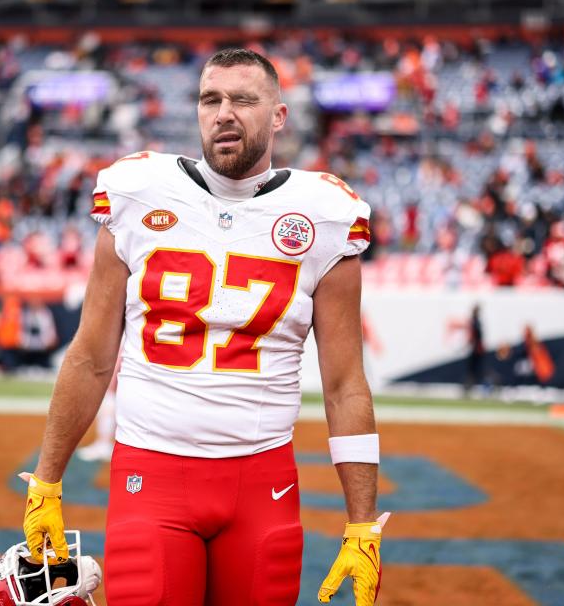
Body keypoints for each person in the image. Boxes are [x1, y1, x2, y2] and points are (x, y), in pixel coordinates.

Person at [19, 49, 387, 606]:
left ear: (279, 115)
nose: (224, 113)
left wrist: (362, 524)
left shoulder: (326, 214)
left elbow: (344, 385)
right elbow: (91, 356)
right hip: (151, 473)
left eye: (243, 99)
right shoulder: (138, 192)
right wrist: (46, 479)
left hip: (262, 481)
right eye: (211, 99)